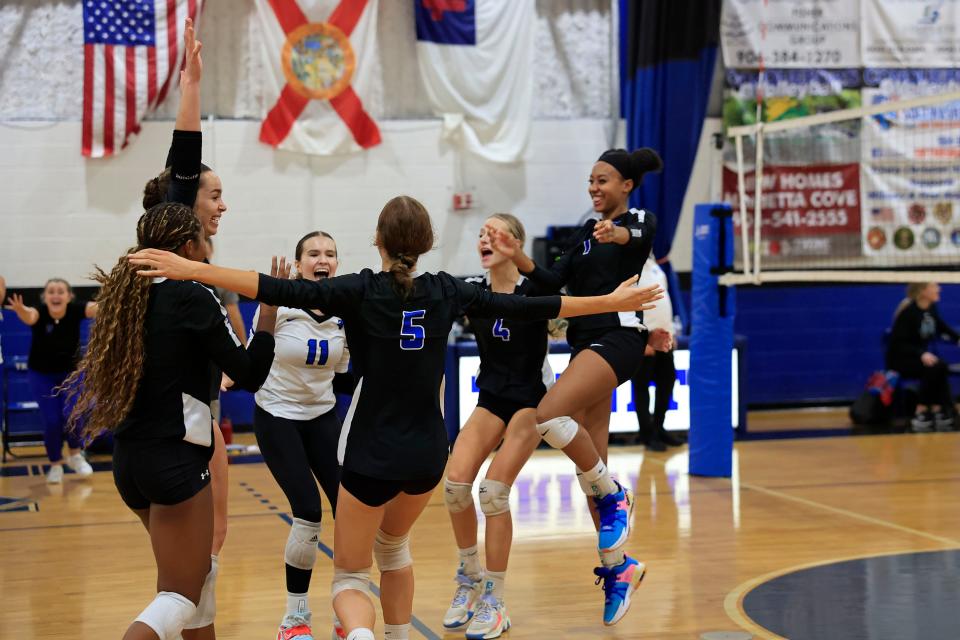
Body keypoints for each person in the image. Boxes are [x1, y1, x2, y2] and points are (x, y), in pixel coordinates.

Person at [127, 194, 663, 640]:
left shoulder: (359, 289)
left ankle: (361, 634)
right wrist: (609, 302)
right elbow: (535, 307)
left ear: (378, 241)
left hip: (370, 451)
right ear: (427, 243)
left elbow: (275, 288)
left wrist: (192, 269)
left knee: (351, 576)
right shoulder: (447, 290)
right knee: (395, 547)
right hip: (428, 454)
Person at [64, 202, 280, 640]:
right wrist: (269, 319)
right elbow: (249, 372)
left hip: (129, 461)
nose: (207, 247)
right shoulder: (192, 293)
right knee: (181, 594)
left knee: (190, 590)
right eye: (202, 239)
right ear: (187, 246)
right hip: (176, 461)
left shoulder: (127, 293)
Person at [486, 147, 671, 626]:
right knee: (594, 467)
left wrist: (619, 232)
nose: (594, 187)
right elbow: (552, 280)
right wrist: (517, 257)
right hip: (586, 346)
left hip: (619, 338)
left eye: (603, 180)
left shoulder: (636, 219)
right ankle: (619, 569)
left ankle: (618, 496)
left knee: (548, 414)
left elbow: (637, 235)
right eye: (591, 180)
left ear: (626, 184)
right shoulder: (586, 233)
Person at [139, 22, 232, 639]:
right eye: (215, 195)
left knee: (200, 568)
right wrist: (192, 88)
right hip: (174, 432)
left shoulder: (190, 261)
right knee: (191, 569)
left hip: (189, 421)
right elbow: (185, 158)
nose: (222, 206)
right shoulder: (169, 253)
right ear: (185, 202)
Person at [442, 213, 556, 639]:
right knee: (454, 486)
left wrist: (522, 258)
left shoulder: (535, 290)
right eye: (481, 234)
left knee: (492, 493)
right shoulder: (474, 292)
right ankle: (469, 578)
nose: (485, 240)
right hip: (491, 397)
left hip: (532, 399)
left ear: (516, 243)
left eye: (496, 234)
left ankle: (496, 597)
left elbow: (553, 290)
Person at [253, 231, 353, 640]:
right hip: (277, 415)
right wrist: (266, 311)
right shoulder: (282, 303)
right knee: (308, 511)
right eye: (313, 253)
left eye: (329, 253)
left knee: (349, 512)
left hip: (322, 416)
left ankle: (348, 609)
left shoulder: (346, 309)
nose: (322, 258)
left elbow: (347, 374)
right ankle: (294, 620)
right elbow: (253, 355)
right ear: (298, 265)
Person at [5, 279, 97, 483]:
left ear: (69, 296)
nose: (56, 295)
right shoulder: (39, 312)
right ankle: (55, 464)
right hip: (41, 375)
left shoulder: (76, 310)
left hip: (70, 374)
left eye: (60, 291)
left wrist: (115, 294)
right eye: (51, 292)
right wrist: (20, 310)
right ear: (45, 297)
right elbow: (29, 317)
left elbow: (97, 307)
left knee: (74, 415)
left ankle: (74, 454)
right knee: (53, 421)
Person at [887, 282, 960, 432]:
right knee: (935, 367)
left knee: (940, 366)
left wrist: (958, 338)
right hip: (901, 359)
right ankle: (921, 411)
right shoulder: (908, 312)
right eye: (934, 286)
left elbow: (942, 327)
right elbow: (898, 343)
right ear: (923, 291)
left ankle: (939, 410)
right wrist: (921, 353)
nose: (939, 288)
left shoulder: (931, 308)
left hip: (920, 357)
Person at [630, 255, 683, 451]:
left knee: (667, 381)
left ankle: (659, 427)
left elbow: (664, 300)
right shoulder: (628, 265)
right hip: (645, 339)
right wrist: (640, 340)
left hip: (664, 336)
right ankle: (647, 434)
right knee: (642, 388)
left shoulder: (654, 265)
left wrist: (671, 331)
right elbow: (627, 306)